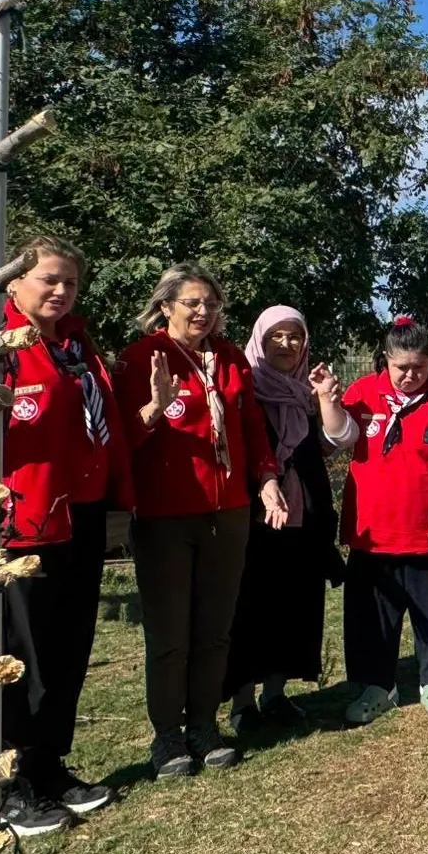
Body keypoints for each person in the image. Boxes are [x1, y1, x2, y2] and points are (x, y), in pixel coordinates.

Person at [0, 237, 132, 833]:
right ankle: (10, 781)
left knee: (66, 651)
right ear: (15, 283)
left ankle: (49, 766)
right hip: (18, 525)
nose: (61, 291)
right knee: (17, 655)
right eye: (49, 279)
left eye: (70, 282)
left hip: (78, 517)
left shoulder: (74, 345)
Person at [114, 263, 289, 779]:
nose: (203, 311)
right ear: (165, 306)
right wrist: (154, 408)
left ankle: (204, 726)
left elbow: (251, 427)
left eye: (211, 303)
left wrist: (267, 478)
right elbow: (120, 441)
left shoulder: (230, 358)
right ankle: (168, 735)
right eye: (192, 302)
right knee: (171, 634)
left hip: (227, 513)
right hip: (166, 516)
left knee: (215, 629)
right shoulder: (141, 358)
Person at [225, 307, 353, 735]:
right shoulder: (243, 388)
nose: (286, 344)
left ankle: (276, 694)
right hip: (254, 516)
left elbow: (338, 440)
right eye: (275, 336)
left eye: (294, 336)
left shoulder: (306, 394)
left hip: (304, 516)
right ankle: (243, 702)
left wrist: (326, 400)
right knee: (249, 606)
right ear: (259, 340)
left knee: (294, 604)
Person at [337, 317, 428, 723]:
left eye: (420, 367)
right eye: (402, 368)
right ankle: (378, 685)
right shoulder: (363, 392)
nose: (411, 375)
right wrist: (326, 402)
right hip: (373, 529)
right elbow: (337, 439)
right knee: (371, 615)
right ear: (385, 360)